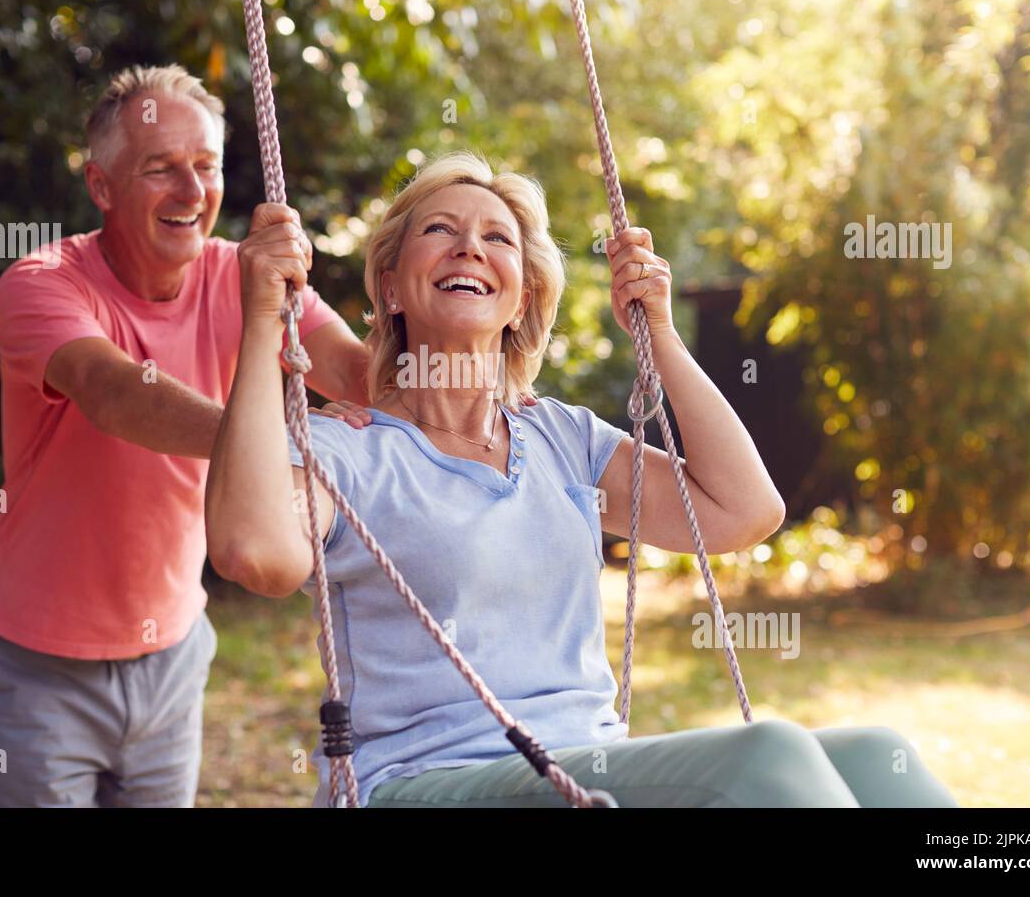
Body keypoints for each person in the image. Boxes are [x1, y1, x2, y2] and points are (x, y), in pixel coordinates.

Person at [206, 151, 959, 808]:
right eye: (440, 231)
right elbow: (253, 553)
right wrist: (265, 324)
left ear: (521, 299)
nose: (470, 246)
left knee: (873, 757)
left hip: (581, 764)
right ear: (393, 288)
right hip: (420, 779)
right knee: (768, 757)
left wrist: (658, 334)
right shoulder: (349, 450)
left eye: (496, 237)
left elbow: (743, 511)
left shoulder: (560, 437)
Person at [0, 64, 371, 807]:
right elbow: (116, 395)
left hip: (174, 653)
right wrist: (265, 453)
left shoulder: (246, 277)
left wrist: (471, 374)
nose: (191, 191)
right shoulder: (42, 282)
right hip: (37, 668)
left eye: (205, 166)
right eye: (161, 168)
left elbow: (353, 372)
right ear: (102, 185)